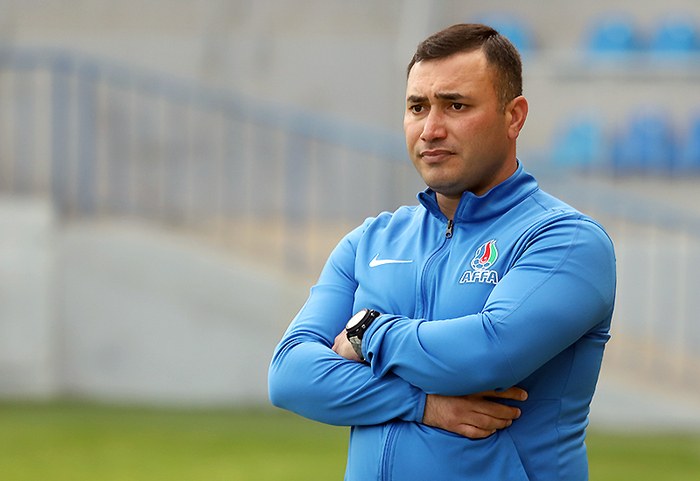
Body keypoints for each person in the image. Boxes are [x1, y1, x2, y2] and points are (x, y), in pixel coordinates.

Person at [268, 23, 616, 481]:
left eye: (456, 105)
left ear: (513, 117)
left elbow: (487, 355)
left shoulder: (567, 240)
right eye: (418, 107)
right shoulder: (371, 240)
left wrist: (367, 331)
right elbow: (290, 374)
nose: (431, 129)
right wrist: (421, 404)